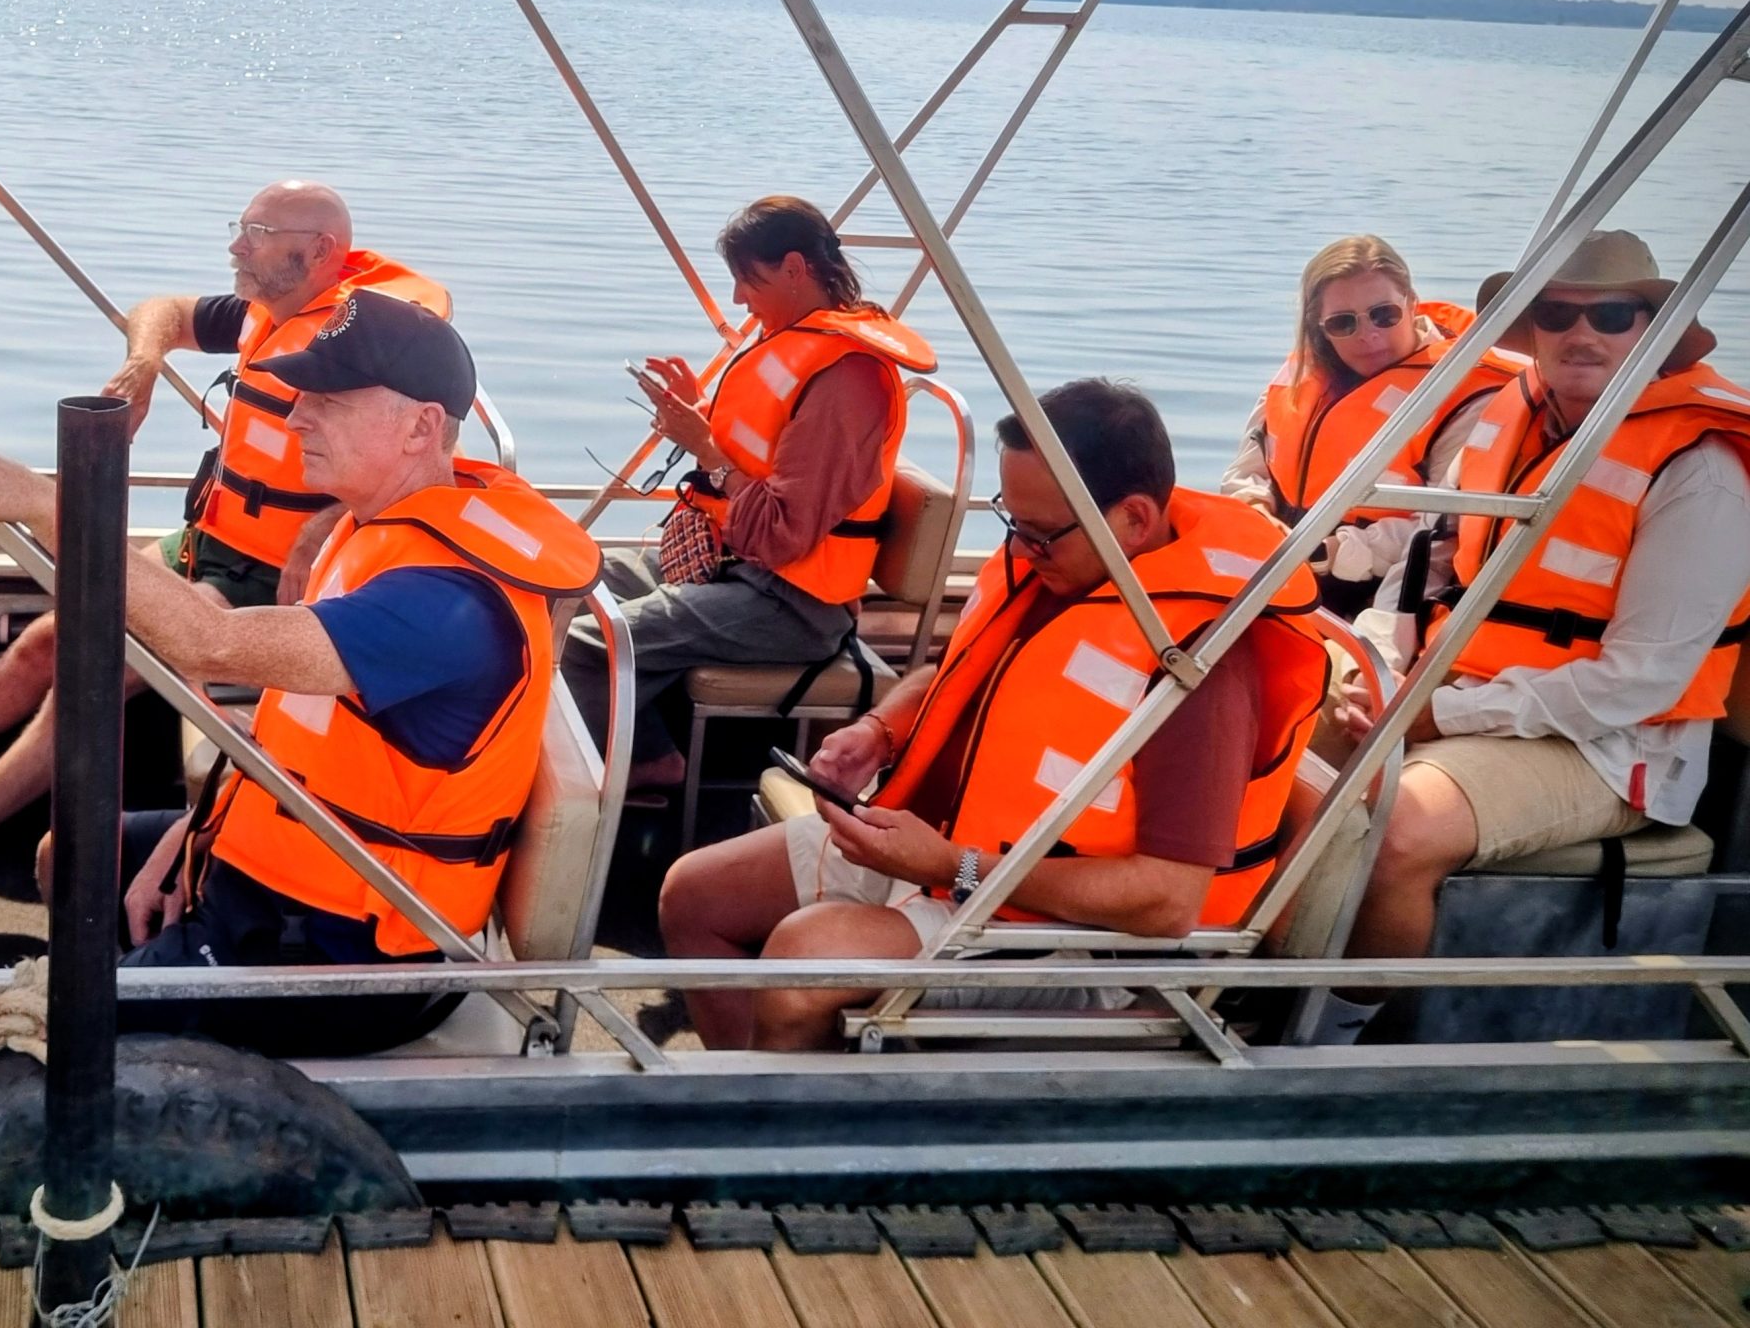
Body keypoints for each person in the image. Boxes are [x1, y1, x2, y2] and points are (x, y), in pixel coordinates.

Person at [0, 291, 601, 1055]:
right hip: (291, 869)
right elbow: (310, 740)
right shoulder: (382, 523)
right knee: (62, 854)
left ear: (420, 427)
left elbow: (213, 644)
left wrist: (40, 501)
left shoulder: (444, 604)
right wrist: (201, 830)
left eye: (328, 401)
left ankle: (111, 1043)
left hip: (339, 950)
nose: (295, 419)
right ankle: (125, 1036)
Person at [0, 179, 445, 913]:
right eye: (239, 226)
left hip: (269, 580)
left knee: (88, 668)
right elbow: (162, 311)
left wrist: (327, 521)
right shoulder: (265, 310)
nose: (235, 247)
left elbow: (423, 453)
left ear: (320, 252)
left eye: (256, 234)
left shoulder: (374, 340)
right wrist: (147, 362)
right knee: (45, 644)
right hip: (210, 542)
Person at [658, 378, 1329, 1051]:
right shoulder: (1058, 570)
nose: (1024, 550)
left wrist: (954, 866)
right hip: (952, 857)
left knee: (803, 960)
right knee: (694, 895)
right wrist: (878, 732)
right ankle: (752, 1085)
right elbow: (953, 677)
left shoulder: (1201, 666)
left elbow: (1168, 900)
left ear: (1133, 518)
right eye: (1014, 523)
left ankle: (797, 1104)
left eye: (1042, 535)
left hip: (1072, 936)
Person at [1316, 231, 1750, 1043]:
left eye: (1611, 315)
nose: (1581, 333)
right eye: (1557, 314)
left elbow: (1641, 682)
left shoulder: (1702, 470)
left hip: (1616, 750)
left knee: (1399, 826)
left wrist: (1439, 716)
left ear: (1651, 329)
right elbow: (1420, 570)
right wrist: (1373, 670)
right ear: (1534, 328)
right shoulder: (1505, 420)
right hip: (1464, 695)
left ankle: (1332, 1039)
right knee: (1269, 739)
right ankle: (1206, 975)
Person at [562, 196, 934, 797]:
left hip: (793, 603)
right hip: (735, 562)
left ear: (795, 268)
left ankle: (644, 764)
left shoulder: (848, 378)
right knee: (570, 582)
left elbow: (781, 533)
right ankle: (635, 745)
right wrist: (701, 414)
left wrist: (706, 449)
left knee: (592, 645)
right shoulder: (797, 342)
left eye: (748, 280)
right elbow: (763, 458)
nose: (737, 298)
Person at [1220, 235, 1513, 616]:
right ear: (1320, 327)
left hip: (1380, 589)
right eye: (1343, 323)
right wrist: (1254, 511)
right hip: (1275, 564)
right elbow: (1248, 469)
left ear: (1411, 302)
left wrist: (1326, 552)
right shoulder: (1303, 373)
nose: (1368, 334)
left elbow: (1443, 529)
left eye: (1384, 314)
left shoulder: (1464, 393)